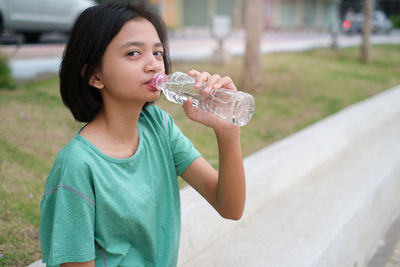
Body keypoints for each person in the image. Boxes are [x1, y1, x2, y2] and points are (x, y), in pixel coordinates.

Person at [40, 2, 245, 267]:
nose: (154, 65)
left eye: (158, 53)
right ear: (95, 75)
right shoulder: (78, 166)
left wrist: (227, 130)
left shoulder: (159, 126)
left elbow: (230, 207)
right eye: (134, 53)